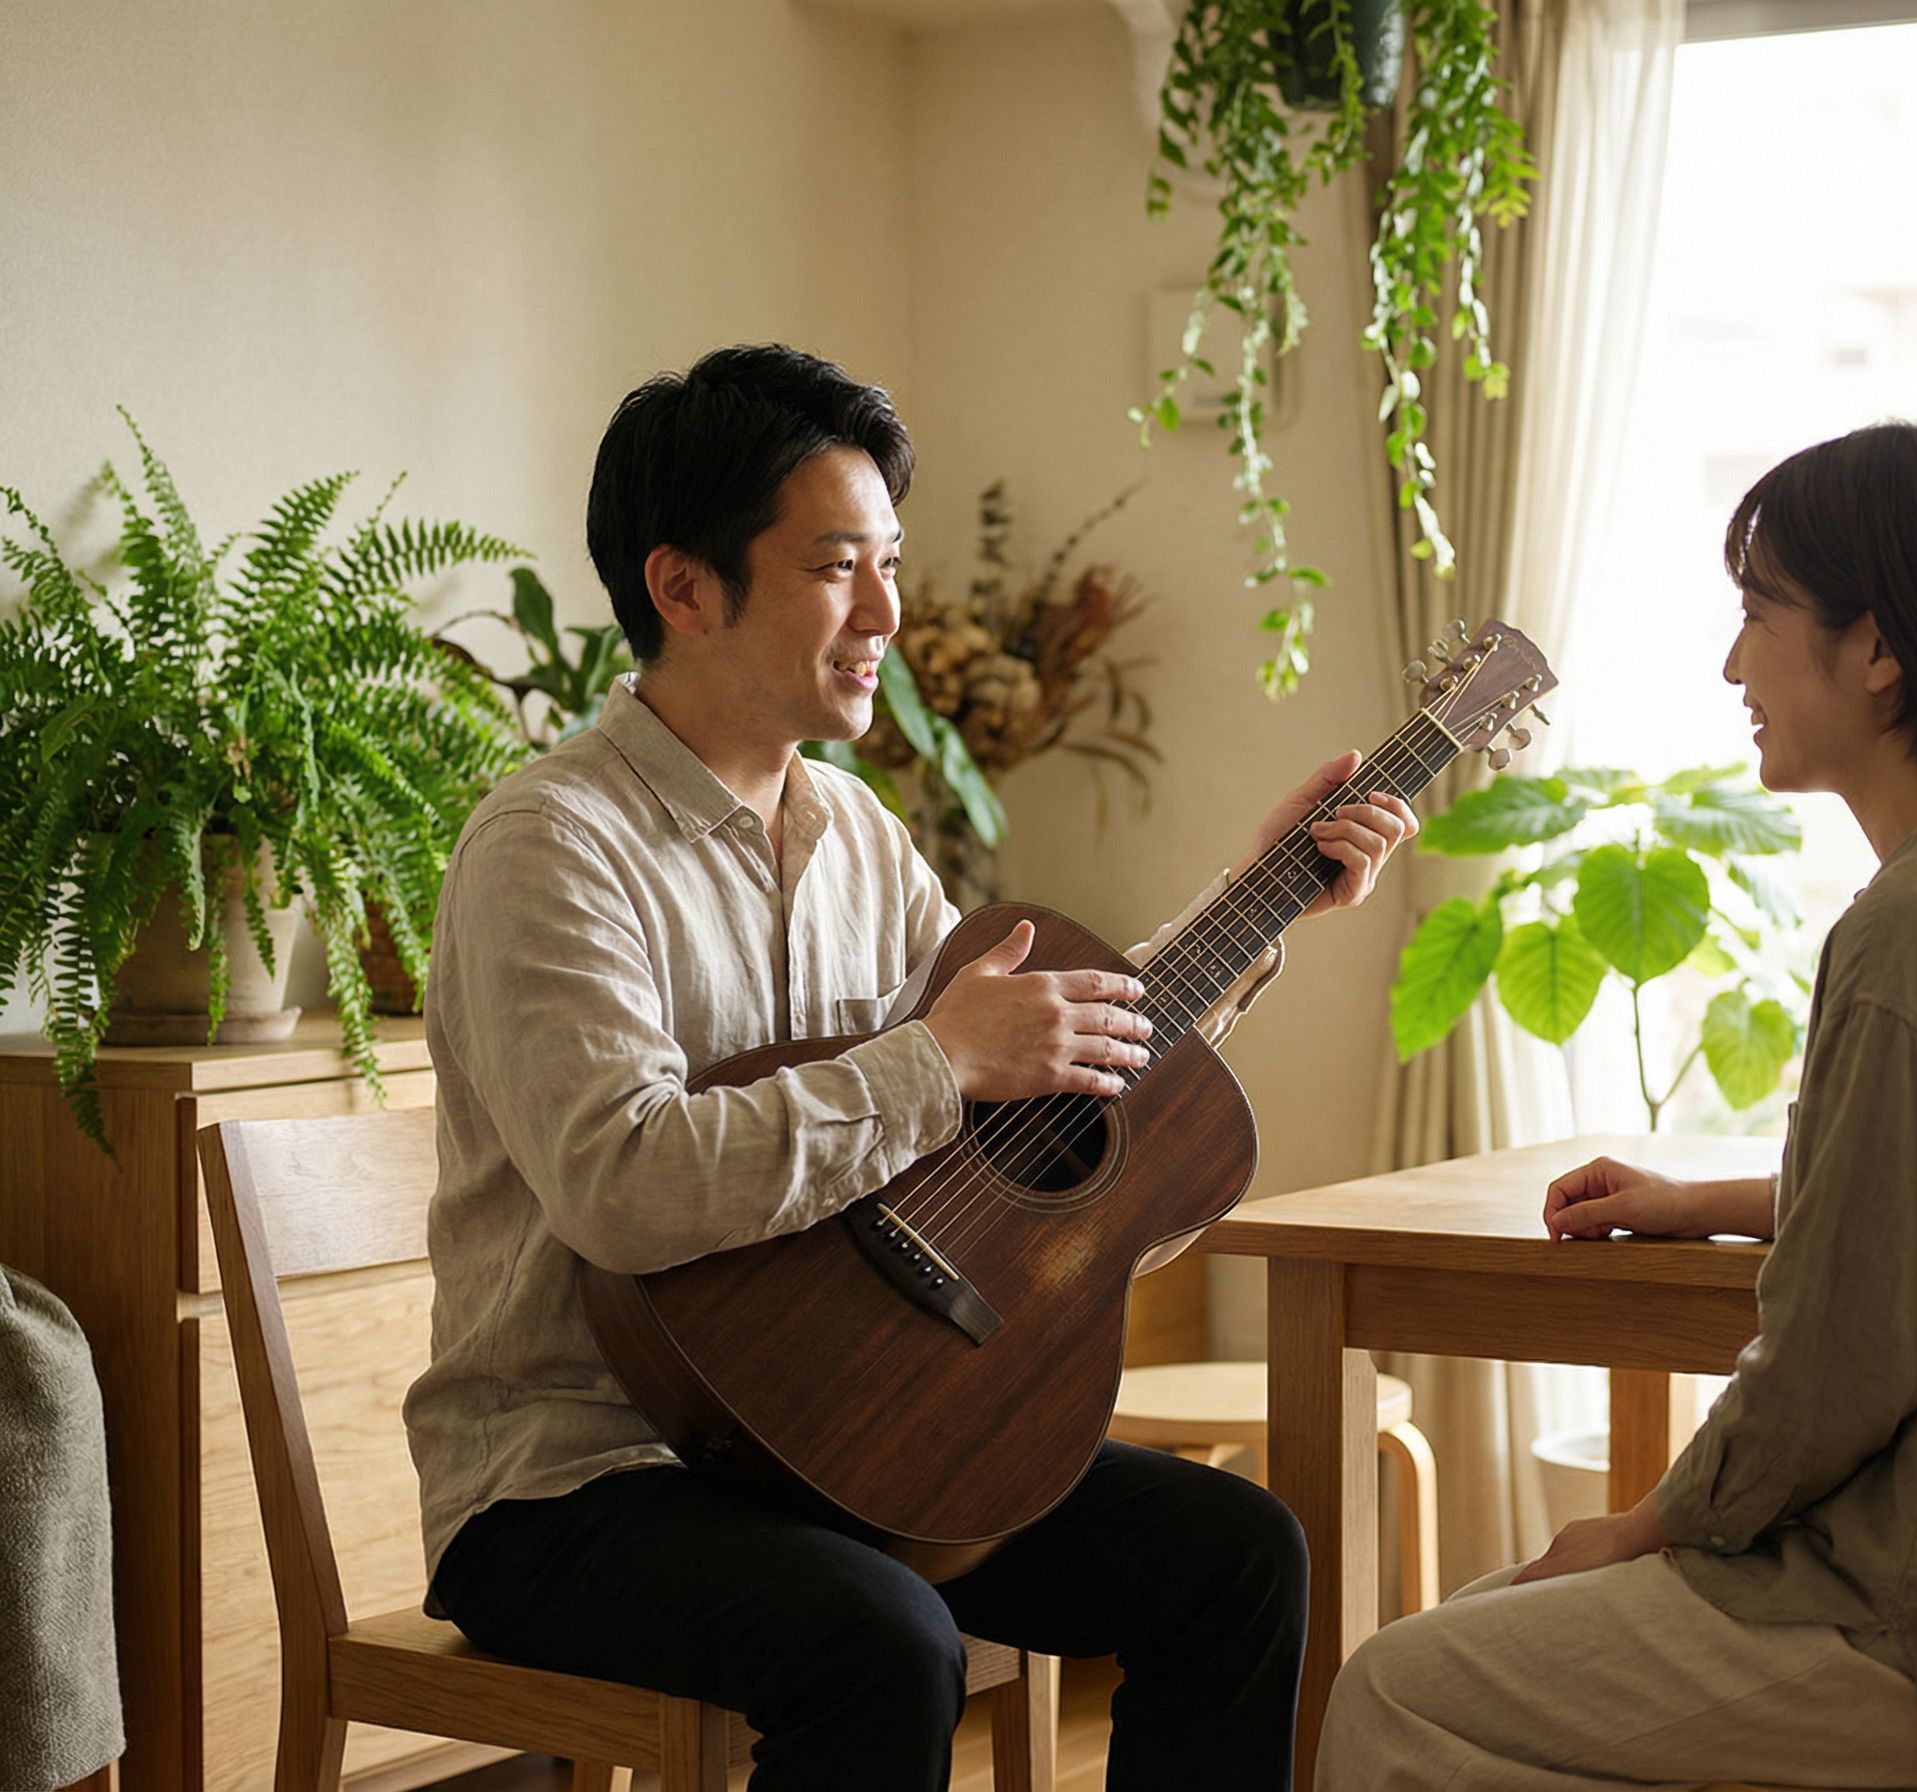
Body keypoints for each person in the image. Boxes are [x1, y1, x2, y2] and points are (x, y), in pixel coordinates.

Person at [403, 344, 1417, 1792]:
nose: (890, 612)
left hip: (836, 1440)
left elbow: (1037, 1073)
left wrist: (1260, 904)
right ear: (683, 588)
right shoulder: (550, 846)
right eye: (838, 568)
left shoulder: (862, 838)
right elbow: (620, 1188)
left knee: (1233, 1553)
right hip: (581, 1480)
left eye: (892, 561)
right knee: (880, 1643)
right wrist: (937, 1062)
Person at [1316, 419, 1917, 1792]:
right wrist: (1718, 1200)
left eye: (1759, 615)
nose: (1735, 664)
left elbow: (1835, 1371)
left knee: (1398, 1692)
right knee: (1497, 1628)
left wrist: (1649, 1524)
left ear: (1880, 649)